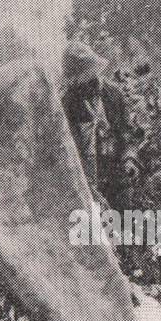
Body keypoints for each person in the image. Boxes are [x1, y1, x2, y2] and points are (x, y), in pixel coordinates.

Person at [60, 41, 142, 209]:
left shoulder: (114, 94)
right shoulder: (67, 104)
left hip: (118, 177)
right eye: (77, 79)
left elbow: (127, 132)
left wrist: (130, 159)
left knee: (123, 228)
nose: (83, 82)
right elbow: (67, 146)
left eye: (87, 74)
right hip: (87, 183)